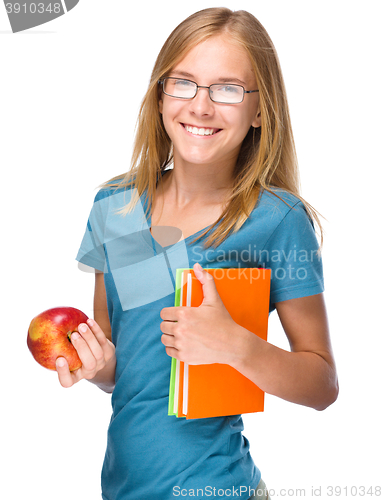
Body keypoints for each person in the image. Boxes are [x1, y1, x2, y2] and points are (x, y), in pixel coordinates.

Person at [55, 7, 338, 500]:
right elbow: (126, 368)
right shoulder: (115, 208)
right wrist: (96, 367)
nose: (201, 107)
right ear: (160, 94)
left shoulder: (276, 219)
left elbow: (322, 385)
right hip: (121, 489)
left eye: (227, 89)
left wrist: (237, 346)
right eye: (183, 82)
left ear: (260, 110)